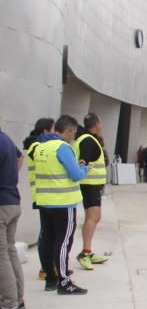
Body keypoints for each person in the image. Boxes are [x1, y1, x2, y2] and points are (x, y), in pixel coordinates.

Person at [28, 114, 89, 295]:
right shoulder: (62, 147)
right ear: (68, 130)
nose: (73, 137)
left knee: (47, 240)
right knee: (63, 242)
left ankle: (50, 279)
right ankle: (64, 281)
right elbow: (75, 175)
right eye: (73, 133)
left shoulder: (39, 147)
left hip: (45, 201)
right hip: (63, 202)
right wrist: (84, 168)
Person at [74, 113, 110, 271]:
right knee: (93, 217)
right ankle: (85, 252)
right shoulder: (88, 141)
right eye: (100, 124)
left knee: (94, 217)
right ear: (97, 124)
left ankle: (87, 250)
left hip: (92, 185)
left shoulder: (85, 139)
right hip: (89, 184)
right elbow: (83, 161)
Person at [24, 118, 55, 281]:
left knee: (48, 233)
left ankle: (49, 267)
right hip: (43, 194)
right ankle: (46, 268)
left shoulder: (34, 146)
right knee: (46, 234)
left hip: (43, 193)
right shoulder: (37, 147)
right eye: (52, 130)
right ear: (45, 131)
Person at [0, 126, 25, 309]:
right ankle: (17, 299)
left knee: (2, 254)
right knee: (10, 250)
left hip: (1, 205)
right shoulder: (6, 139)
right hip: (12, 200)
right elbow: (19, 157)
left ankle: (8, 305)